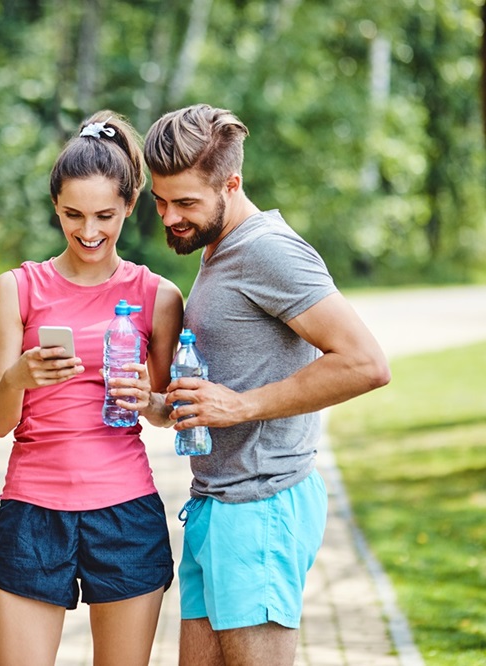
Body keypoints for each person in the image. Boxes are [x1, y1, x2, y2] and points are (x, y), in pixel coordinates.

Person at [142, 103, 392, 666]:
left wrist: (243, 406)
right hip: (217, 503)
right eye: (160, 200)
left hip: (262, 505)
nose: (168, 217)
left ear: (231, 184)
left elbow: (365, 362)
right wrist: (158, 404)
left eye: (185, 202)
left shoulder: (268, 250)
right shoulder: (219, 248)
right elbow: (222, 387)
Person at [0, 110, 184, 666]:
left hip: (125, 512)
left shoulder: (157, 295)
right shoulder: (16, 289)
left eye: (104, 215)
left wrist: (148, 401)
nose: (89, 231)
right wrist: (19, 377)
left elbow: (169, 412)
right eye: (73, 215)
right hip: (31, 511)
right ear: (55, 206)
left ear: (128, 207)